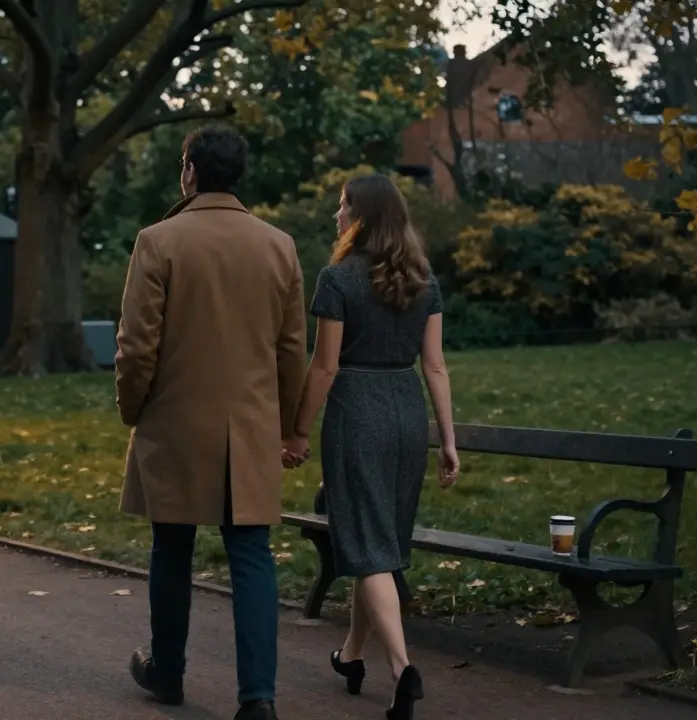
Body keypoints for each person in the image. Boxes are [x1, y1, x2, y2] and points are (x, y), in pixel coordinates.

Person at [116, 124, 307, 720]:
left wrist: (132, 408)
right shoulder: (280, 246)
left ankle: (167, 673)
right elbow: (290, 349)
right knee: (252, 556)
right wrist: (291, 427)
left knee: (171, 547)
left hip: (175, 422)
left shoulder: (158, 241)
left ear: (191, 171)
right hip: (249, 426)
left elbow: (136, 346)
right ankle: (259, 698)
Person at [282, 174, 460, 720]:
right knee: (374, 543)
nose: (336, 216)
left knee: (367, 544)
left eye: (342, 207)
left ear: (361, 217)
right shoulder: (423, 280)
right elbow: (434, 364)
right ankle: (350, 654)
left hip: (357, 410)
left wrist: (297, 431)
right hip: (407, 413)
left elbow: (325, 365)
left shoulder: (336, 279)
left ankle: (403, 669)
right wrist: (447, 440)